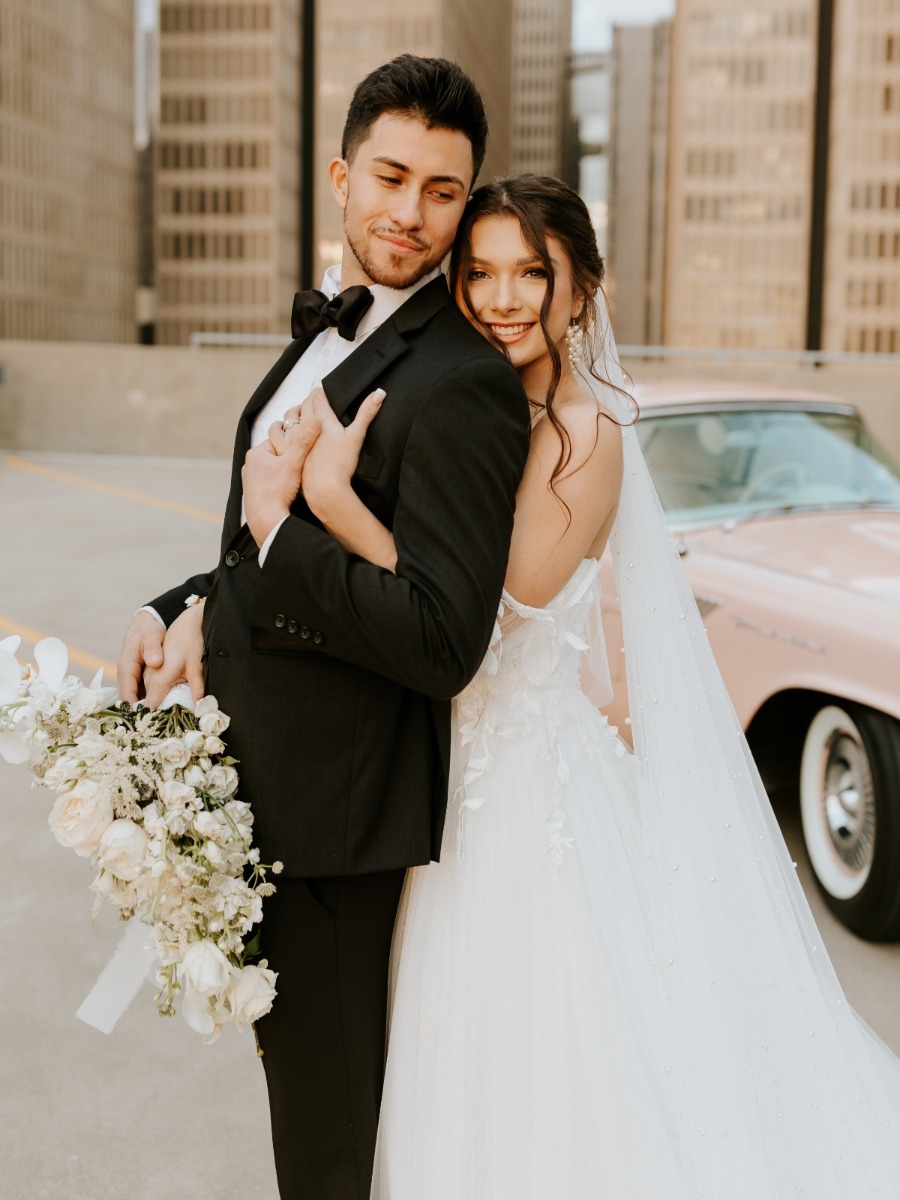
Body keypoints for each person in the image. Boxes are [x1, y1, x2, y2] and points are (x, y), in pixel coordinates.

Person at [277, 174, 900, 1198]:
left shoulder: (587, 432)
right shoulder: (476, 403)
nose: (503, 296)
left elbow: (491, 606)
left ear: (581, 291)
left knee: (556, 1029)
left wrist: (339, 505)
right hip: (448, 768)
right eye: (478, 272)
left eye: (534, 272)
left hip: (528, 787)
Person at [115, 57, 530, 1200]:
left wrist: (284, 538)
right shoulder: (322, 336)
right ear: (342, 176)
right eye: (392, 177)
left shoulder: (463, 384)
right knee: (301, 1107)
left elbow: (447, 639)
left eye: (444, 191)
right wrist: (184, 606)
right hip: (263, 787)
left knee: (331, 1145)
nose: (411, 212)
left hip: (341, 830)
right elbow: (261, 546)